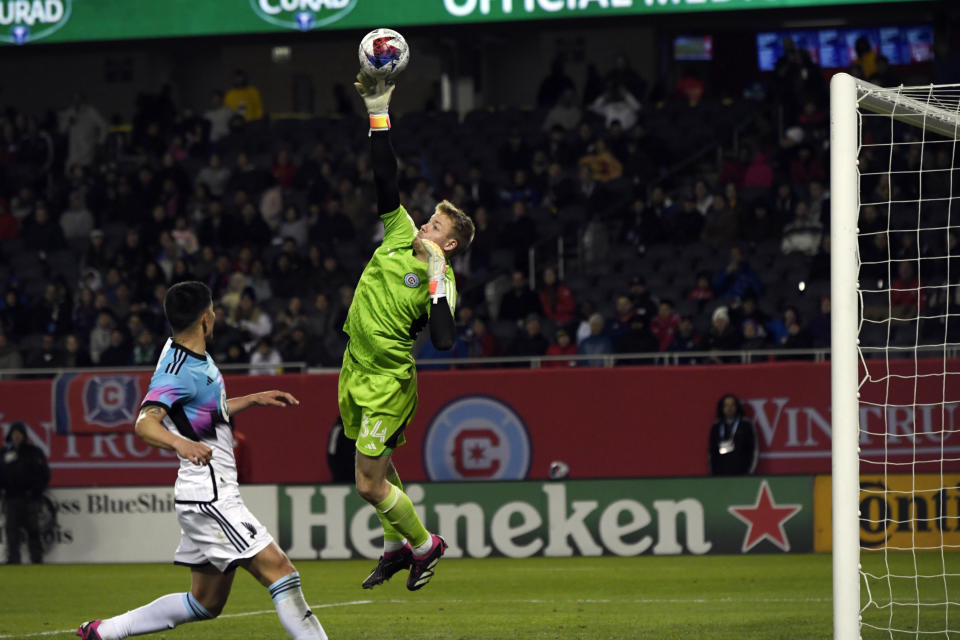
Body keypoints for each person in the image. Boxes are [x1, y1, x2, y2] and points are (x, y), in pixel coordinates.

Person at [76, 281, 327, 640]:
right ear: (207, 319)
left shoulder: (187, 353)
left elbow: (204, 411)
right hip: (210, 495)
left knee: (206, 602)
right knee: (282, 572)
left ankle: (104, 632)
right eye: (214, 311)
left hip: (204, 493)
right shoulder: (177, 370)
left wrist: (253, 398)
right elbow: (145, 423)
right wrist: (182, 444)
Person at [342, 71, 475, 592]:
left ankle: (424, 545)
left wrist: (439, 281)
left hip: (388, 381)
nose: (425, 225)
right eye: (429, 219)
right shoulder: (399, 233)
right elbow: (384, 175)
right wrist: (378, 111)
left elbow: (443, 340)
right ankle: (396, 548)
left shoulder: (442, 281)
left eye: (437, 226)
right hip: (354, 364)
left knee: (366, 483)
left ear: (451, 245)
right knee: (380, 472)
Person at [0, 422, 49, 564]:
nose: (16, 436)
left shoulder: (34, 452)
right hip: (11, 498)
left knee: (33, 530)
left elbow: (44, 474)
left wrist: (36, 491)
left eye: (19, 434)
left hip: (30, 498)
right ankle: (13, 559)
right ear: (10, 435)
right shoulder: (3, 453)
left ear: (24, 435)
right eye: (14, 434)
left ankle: (37, 559)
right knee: (11, 532)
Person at [708, 394, 758, 476]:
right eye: (726, 405)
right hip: (720, 474)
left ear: (737, 407)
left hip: (742, 473)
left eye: (732, 405)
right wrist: (713, 474)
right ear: (722, 408)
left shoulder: (746, 425)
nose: (729, 408)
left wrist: (749, 473)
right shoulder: (716, 426)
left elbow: (754, 450)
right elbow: (711, 452)